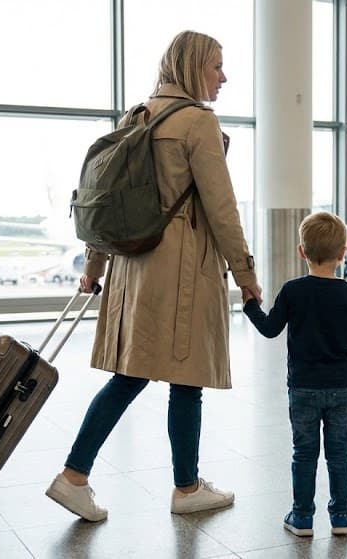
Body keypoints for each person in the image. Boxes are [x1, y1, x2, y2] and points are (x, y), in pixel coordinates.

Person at [46, 30, 262, 521]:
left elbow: (107, 200)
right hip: (181, 270)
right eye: (216, 66)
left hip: (131, 269)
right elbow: (222, 209)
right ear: (191, 67)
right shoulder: (197, 123)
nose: (223, 77)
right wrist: (245, 272)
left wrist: (94, 267)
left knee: (129, 376)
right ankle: (185, 489)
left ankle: (76, 476)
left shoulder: (135, 116)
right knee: (187, 379)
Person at [241, 211, 347, 537]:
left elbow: (270, 329)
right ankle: (341, 517)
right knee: (340, 453)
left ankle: (301, 518)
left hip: (302, 388)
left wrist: (250, 306)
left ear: (302, 251)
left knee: (304, 453)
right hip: (342, 388)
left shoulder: (292, 290)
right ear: (343, 254)